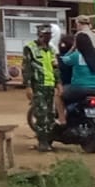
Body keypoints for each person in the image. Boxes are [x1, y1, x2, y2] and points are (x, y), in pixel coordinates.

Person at [22, 24, 57, 152]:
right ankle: (42, 142)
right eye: (45, 35)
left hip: (50, 85)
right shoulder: (30, 48)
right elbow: (26, 68)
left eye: (49, 35)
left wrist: (58, 83)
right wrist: (28, 86)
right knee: (41, 114)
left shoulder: (51, 49)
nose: (47, 38)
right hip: (38, 86)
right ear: (39, 35)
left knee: (51, 114)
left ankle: (48, 140)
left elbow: (55, 67)